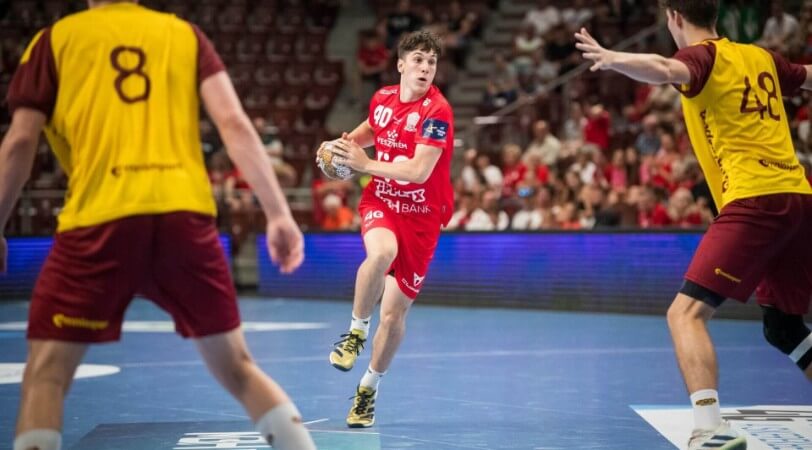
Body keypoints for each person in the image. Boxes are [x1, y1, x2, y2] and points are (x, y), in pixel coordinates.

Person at [0, 2, 316, 450]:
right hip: (183, 217)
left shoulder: (54, 42)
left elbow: (20, 142)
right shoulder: (183, 35)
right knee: (237, 367)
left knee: (46, 374)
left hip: (99, 218)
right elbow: (234, 123)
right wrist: (279, 214)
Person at [575, 1, 812, 449]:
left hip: (754, 197)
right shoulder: (760, 56)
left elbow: (666, 69)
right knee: (784, 326)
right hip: (800, 198)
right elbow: (808, 75)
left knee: (685, 313)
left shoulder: (701, 58)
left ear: (675, 18)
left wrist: (612, 57)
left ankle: (710, 429)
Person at [319, 30, 454, 428]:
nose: (425, 68)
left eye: (431, 62)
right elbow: (368, 132)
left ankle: (368, 389)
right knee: (380, 253)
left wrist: (364, 164)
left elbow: (419, 171)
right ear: (400, 65)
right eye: (418, 60)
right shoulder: (382, 99)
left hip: (423, 217)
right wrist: (340, 147)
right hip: (382, 200)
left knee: (393, 317)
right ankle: (355, 333)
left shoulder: (438, 111)